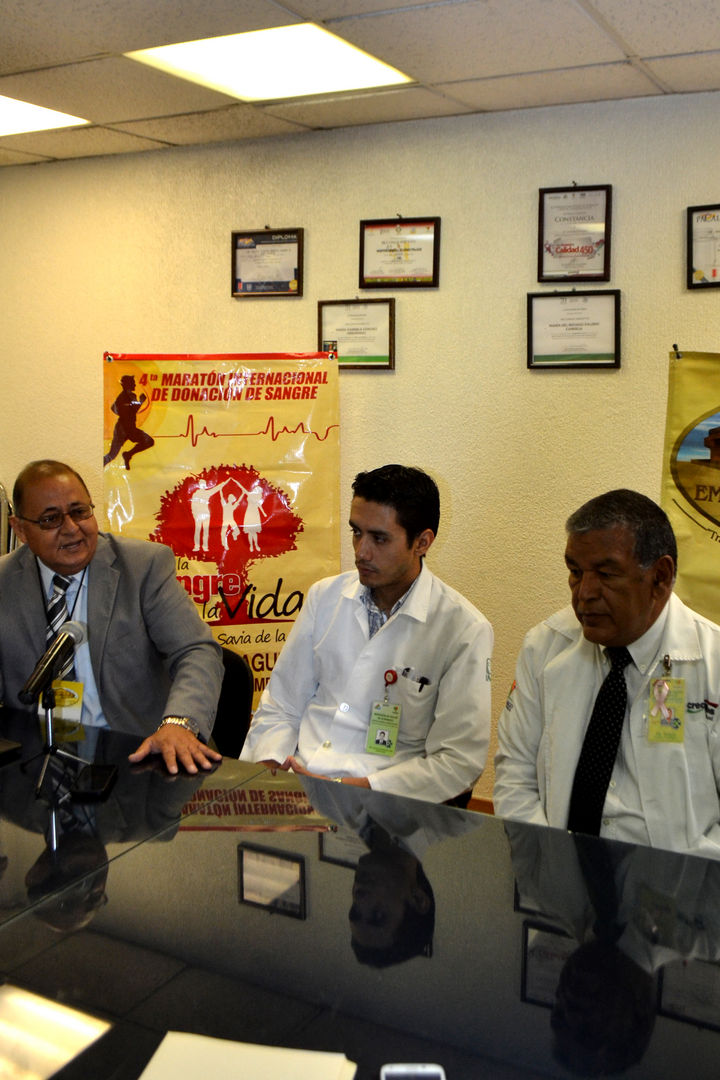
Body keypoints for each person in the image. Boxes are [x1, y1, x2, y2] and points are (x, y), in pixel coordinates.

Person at [240, 464, 493, 803]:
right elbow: (281, 706)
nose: (361, 551)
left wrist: (349, 789)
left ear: (422, 542)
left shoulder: (464, 630)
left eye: (379, 538)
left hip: (384, 800)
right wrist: (268, 777)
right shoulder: (324, 596)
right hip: (296, 787)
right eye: (356, 532)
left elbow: (457, 762)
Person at [494, 488, 720, 856]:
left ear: (660, 577)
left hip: (682, 881)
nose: (584, 593)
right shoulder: (544, 646)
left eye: (606, 574)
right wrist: (551, 867)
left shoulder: (713, 663)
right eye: (575, 572)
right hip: (558, 868)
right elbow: (515, 775)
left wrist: (680, 883)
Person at [0, 460, 224, 775]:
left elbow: (195, 651)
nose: (72, 528)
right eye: (51, 519)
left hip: (138, 755)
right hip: (36, 763)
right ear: (20, 530)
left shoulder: (143, 566)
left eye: (79, 511)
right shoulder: (4, 583)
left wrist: (179, 723)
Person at [103, 374, 155, 470]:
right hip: (122, 429)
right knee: (112, 455)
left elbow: (132, 410)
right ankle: (101, 464)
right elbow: (115, 408)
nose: (135, 385)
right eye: (133, 383)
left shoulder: (132, 396)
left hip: (130, 428)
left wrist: (140, 402)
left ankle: (128, 454)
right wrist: (140, 402)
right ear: (128, 384)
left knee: (149, 441)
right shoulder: (122, 397)